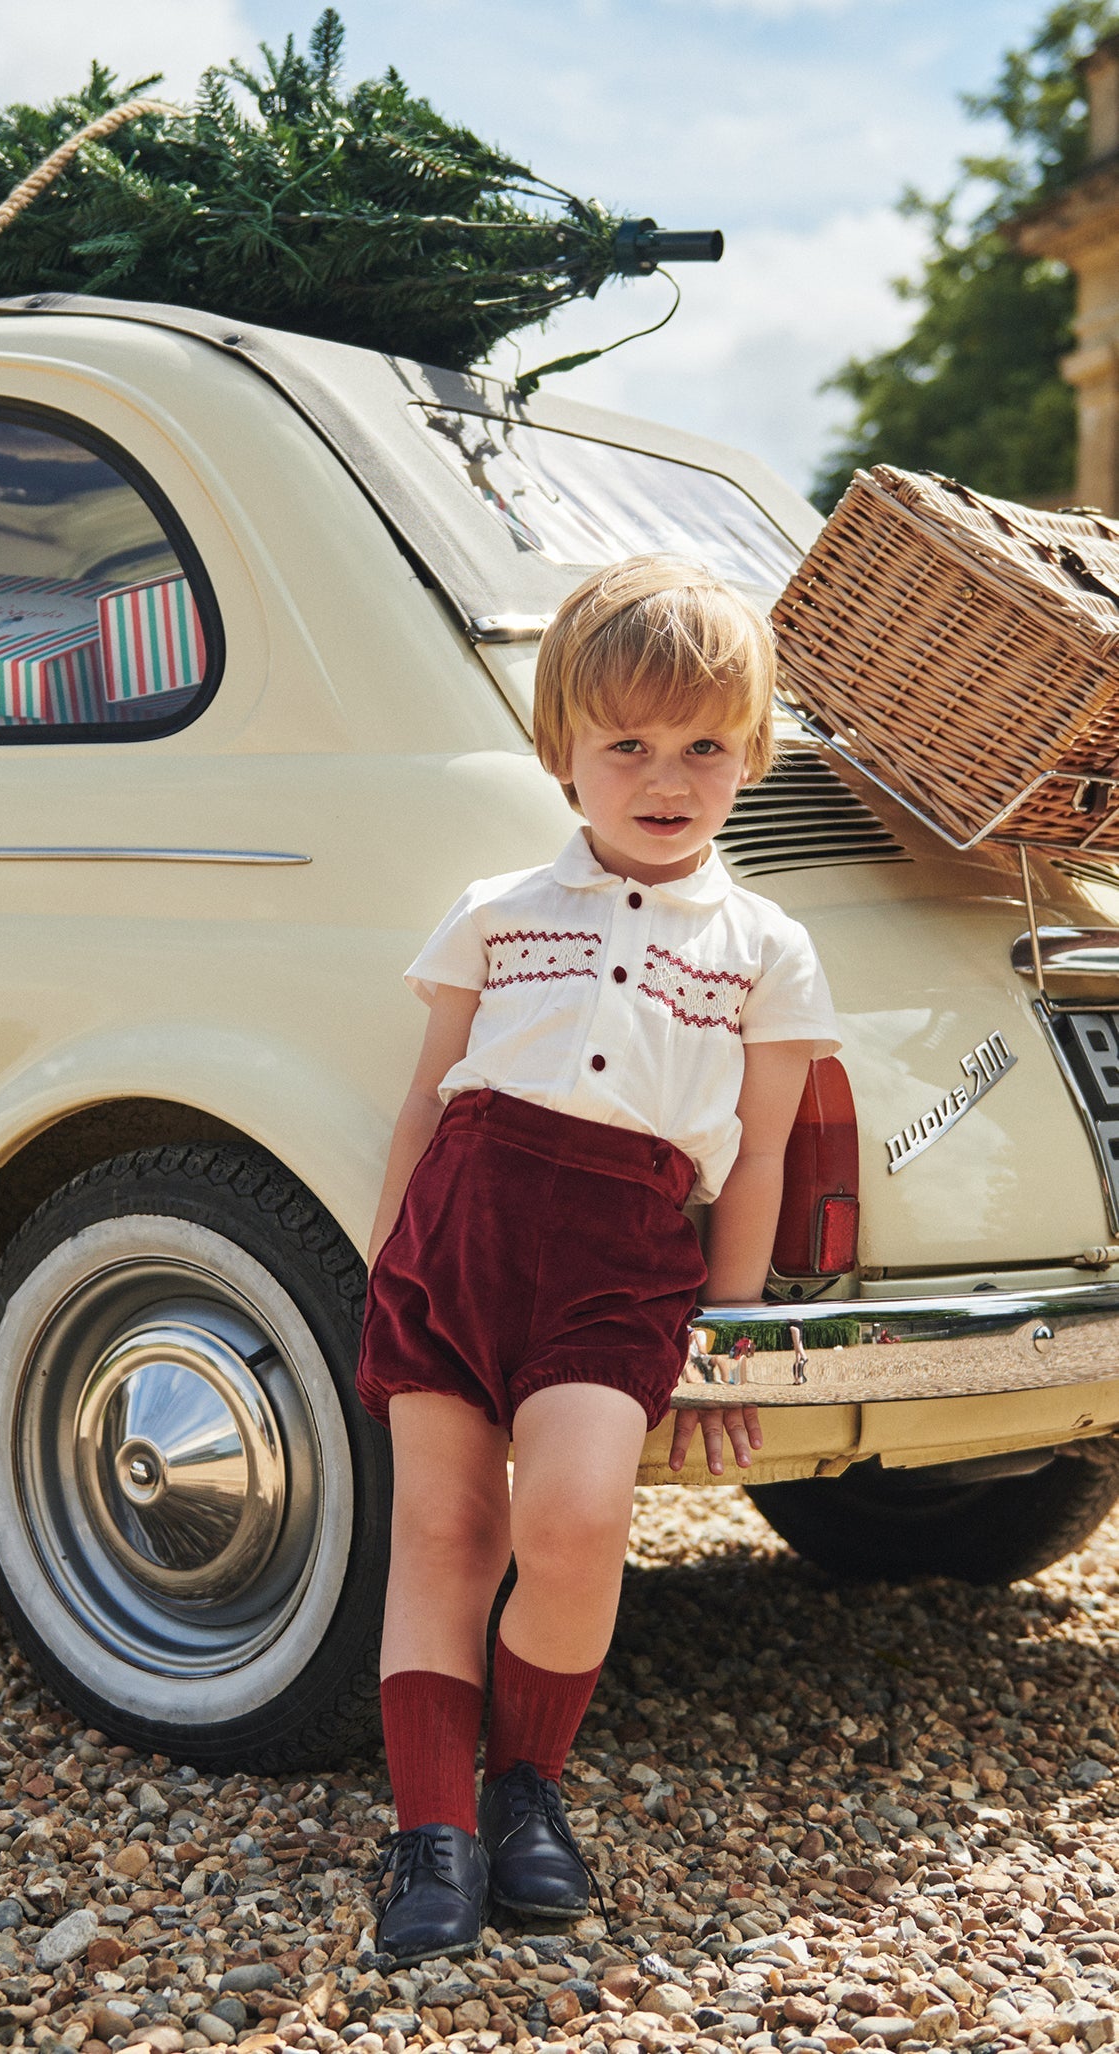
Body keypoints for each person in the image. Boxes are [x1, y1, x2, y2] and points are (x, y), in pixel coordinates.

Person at [356, 556, 841, 1964]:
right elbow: (425, 1101)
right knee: (445, 1532)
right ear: (561, 751)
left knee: (573, 1522)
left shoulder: (766, 947)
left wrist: (727, 1335)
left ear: (751, 751)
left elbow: (755, 1156)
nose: (665, 776)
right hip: (458, 1233)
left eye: (703, 745)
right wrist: (387, 1267)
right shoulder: (497, 908)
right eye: (626, 742)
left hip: (622, 1261)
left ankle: (526, 1784)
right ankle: (432, 1830)